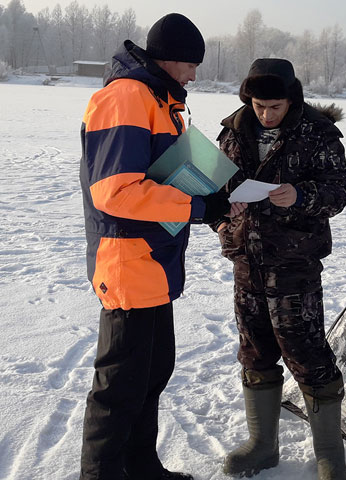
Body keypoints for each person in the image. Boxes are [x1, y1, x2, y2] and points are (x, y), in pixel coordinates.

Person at [78, 13, 229, 480]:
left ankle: (141, 467)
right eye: (190, 64)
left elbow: (159, 176)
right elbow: (116, 191)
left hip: (155, 264)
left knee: (151, 374)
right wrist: (198, 207)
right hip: (128, 263)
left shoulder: (158, 100)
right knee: (119, 386)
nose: (194, 75)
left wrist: (210, 192)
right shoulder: (125, 98)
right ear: (169, 58)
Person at [214, 58, 346, 480]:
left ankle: (330, 454)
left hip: (294, 264)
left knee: (308, 356)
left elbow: (339, 189)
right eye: (259, 105)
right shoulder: (233, 131)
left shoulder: (317, 132)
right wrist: (220, 219)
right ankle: (262, 446)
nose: (266, 113)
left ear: (291, 99)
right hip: (246, 263)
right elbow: (214, 188)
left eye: (274, 106)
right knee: (254, 353)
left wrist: (301, 195)